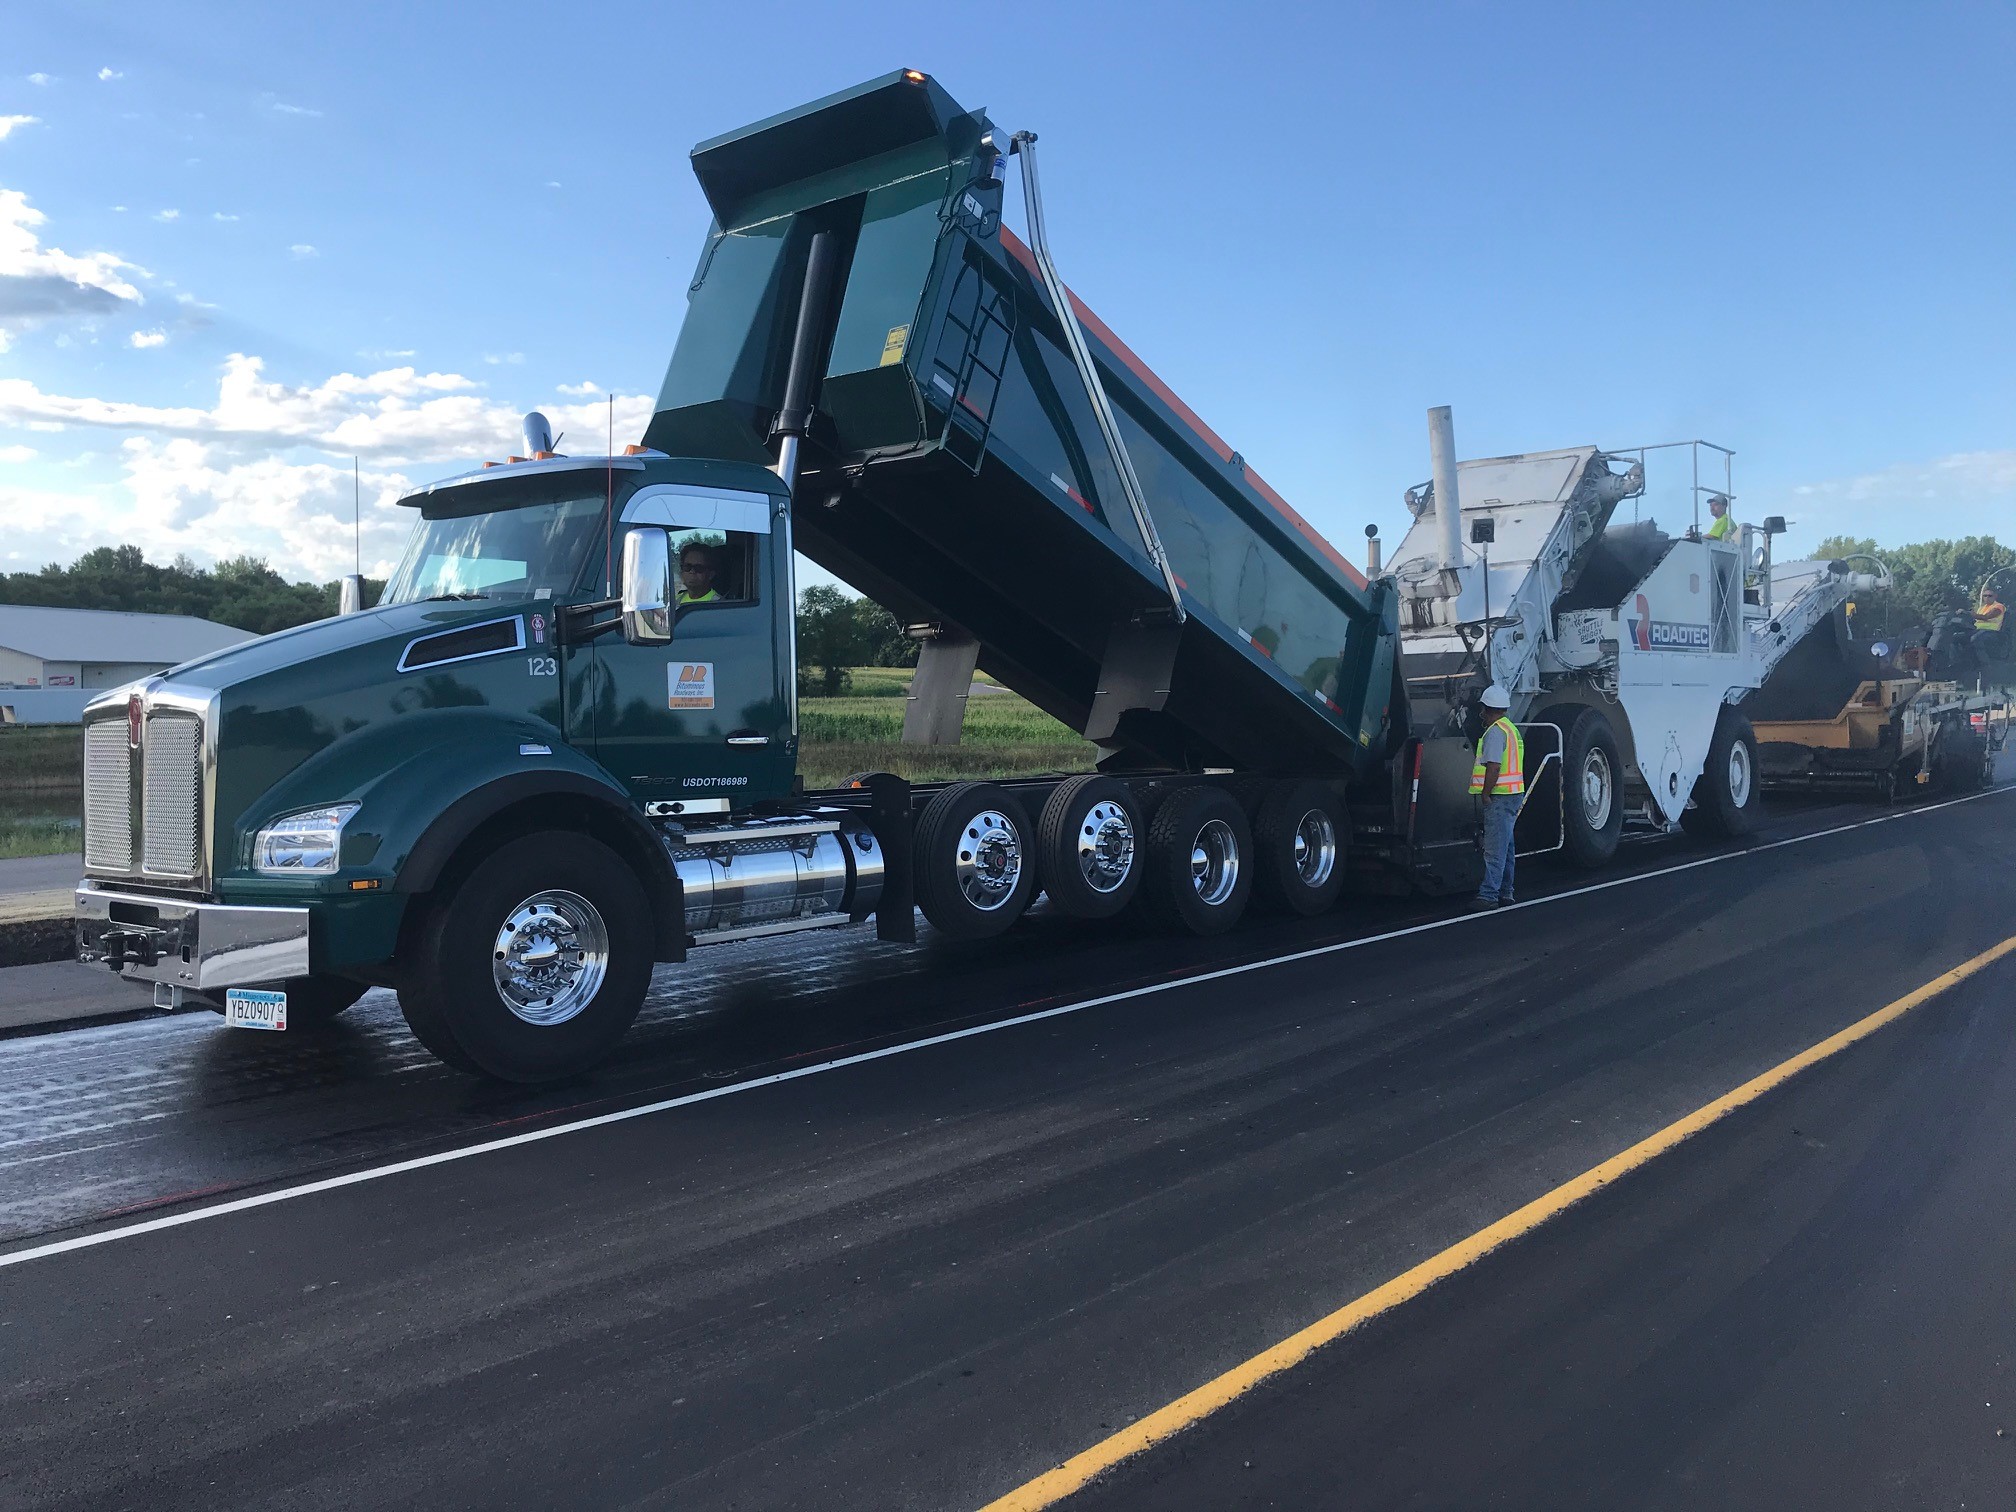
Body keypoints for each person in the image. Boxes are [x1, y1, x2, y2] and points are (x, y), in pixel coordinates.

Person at [1469, 683, 1525, 909]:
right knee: (1507, 846)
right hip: (1513, 794)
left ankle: (1488, 896)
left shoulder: (1494, 732)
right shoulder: (1510, 729)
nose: (1481, 713)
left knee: (1494, 849)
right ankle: (1506, 892)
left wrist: (1485, 793)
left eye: (1482, 708)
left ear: (1487, 709)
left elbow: (1493, 766)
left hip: (1499, 796)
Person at [1975, 586, 2007, 663]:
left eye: (1990, 596)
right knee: (1958, 637)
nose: (1987, 597)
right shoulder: (1981, 608)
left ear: (1995, 596)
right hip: (1978, 630)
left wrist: (1972, 614)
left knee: (1975, 639)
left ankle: (1984, 662)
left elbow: (1987, 617)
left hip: (1992, 632)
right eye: (1985, 596)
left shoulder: (1999, 606)